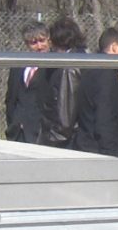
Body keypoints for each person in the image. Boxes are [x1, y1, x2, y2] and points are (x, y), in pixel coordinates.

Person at [69, 26, 118, 158]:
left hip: (89, 146)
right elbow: (105, 119)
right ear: (114, 47)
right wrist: (111, 156)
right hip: (102, 152)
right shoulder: (106, 75)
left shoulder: (92, 69)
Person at [35, 17, 87, 149]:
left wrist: (52, 139)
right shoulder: (83, 57)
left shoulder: (69, 67)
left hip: (64, 141)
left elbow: (66, 114)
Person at [4, 24, 52, 143]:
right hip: (17, 132)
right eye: (33, 43)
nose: (39, 46)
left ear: (49, 41)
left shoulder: (54, 67)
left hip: (42, 134)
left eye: (42, 41)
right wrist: (13, 122)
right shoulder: (18, 66)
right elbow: (11, 99)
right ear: (27, 44)